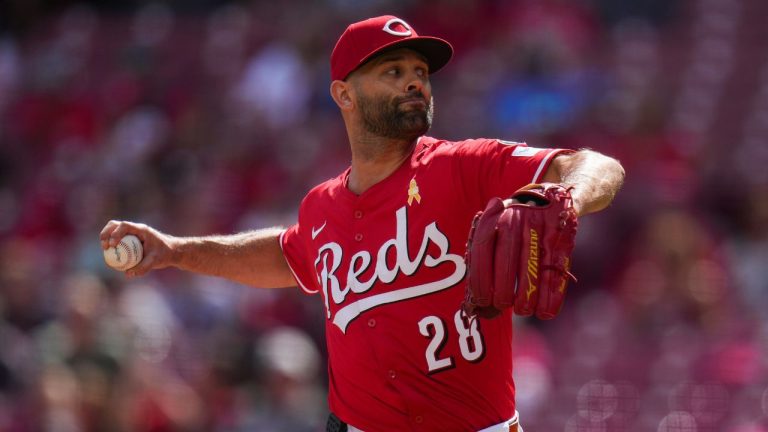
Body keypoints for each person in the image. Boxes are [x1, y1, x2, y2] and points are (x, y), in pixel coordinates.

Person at [100, 15, 625, 432]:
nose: (415, 83)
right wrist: (174, 249)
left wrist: (564, 194)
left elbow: (600, 166)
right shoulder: (322, 207)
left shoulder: (464, 164)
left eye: (419, 73)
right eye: (393, 73)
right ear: (344, 95)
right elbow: (287, 256)